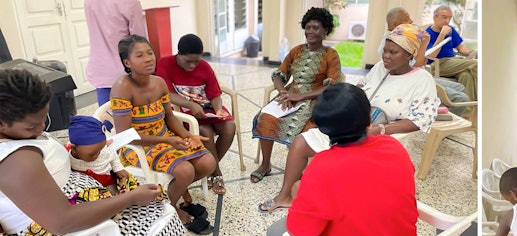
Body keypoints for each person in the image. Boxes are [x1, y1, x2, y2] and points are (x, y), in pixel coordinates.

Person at [0, 68, 182, 236]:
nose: (40, 129)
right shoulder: (16, 160)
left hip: (68, 217)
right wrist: (131, 198)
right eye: (31, 127)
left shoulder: (17, 138)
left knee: (152, 205)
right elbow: (62, 221)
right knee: (164, 219)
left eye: (44, 119)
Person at [256, 83, 421, 236]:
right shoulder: (394, 148)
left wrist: (299, 193)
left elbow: (300, 235)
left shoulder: (324, 167)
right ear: (370, 119)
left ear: (322, 131)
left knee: (278, 233)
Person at [256, 22, 437, 216]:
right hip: (352, 126)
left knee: (333, 162)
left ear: (409, 55)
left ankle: (321, 199)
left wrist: (382, 129)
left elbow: (421, 119)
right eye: (385, 50)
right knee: (301, 142)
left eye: (394, 52)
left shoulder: (422, 80)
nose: (386, 56)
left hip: (380, 137)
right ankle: (285, 195)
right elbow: (362, 87)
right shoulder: (379, 68)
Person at [111, 35, 217, 235]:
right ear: (127, 62)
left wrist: (187, 136)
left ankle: (171, 196)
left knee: (208, 163)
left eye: (150, 53)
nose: (148, 59)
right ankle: (171, 208)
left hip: (166, 138)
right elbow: (125, 135)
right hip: (138, 147)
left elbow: (169, 117)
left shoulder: (159, 83)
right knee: (185, 171)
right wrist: (167, 140)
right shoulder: (122, 87)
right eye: (140, 55)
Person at [251, 7, 342, 185]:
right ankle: (265, 164)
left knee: (307, 130)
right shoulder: (296, 51)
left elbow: (332, 85)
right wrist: (283, 92)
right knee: (265, 118)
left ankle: (300, 170)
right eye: (308, 27)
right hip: (289, 97)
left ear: (325, 30)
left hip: (315, 101)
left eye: (316, 28)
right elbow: (279, 75)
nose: (310, 32)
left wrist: (300, 97)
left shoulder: (331, 55)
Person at [156, 33, 237, 195]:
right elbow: (167, 94)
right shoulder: (165, 64)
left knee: (229, 127)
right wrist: (190, 104)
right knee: (204, 132)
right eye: (188, 61)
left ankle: (209, 168)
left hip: (208, 110)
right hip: (184, 111)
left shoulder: (205, 66)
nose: (193, 65)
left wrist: (218, 109)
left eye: (196, 61)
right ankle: (216, 174)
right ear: (179, 54)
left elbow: (215, 95)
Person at [84, 0, 147, 105]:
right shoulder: (129, 2)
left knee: (106, 115)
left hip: (100, 69)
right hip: (126, 71)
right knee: (137, 117)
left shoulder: (89, 2)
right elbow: (139, 43)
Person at [67, 115, 134, 191]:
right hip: (86, 189)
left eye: (100, 150)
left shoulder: (103, 151)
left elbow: (112, 155)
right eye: (92, 154)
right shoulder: (67, 157)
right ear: (74, 149)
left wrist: (118, 168)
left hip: (107, 184)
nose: (97, 155)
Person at [424, 5, 478, 101]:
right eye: (444, 17)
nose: (447, 21)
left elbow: (461, 47)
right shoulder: (428, 33)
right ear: (435, 17)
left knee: (466, 76)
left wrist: (471, 52)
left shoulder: (451, 30)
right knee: (474, 64)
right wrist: (442, 35)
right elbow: (431, 55)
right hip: (437, 64)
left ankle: (466, 113)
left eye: (449, 18)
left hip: (452, 62)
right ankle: (483, 97)